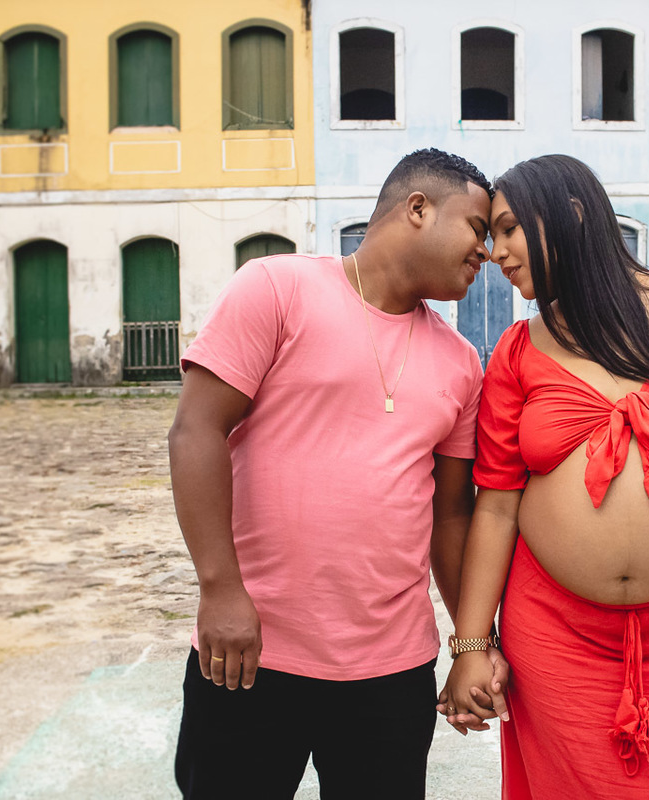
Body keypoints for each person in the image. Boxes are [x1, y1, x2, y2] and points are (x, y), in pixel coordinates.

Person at [439, 154, 649, 799]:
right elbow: (495, 508)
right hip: (555, 634)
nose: (497, 252)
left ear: (571, 215)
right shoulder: (517, 352)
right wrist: (467, 645)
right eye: (492, 235)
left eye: (510, 229)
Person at [168, 148, 507, 800]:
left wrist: (473, 643)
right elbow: (195, 430)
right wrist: (220, 588)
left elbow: (452, 516)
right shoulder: (276, 288)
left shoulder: (463, 363)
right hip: (251, 654)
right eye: (477, 228)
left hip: (391, 675)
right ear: (417, 208)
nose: (486, 252)